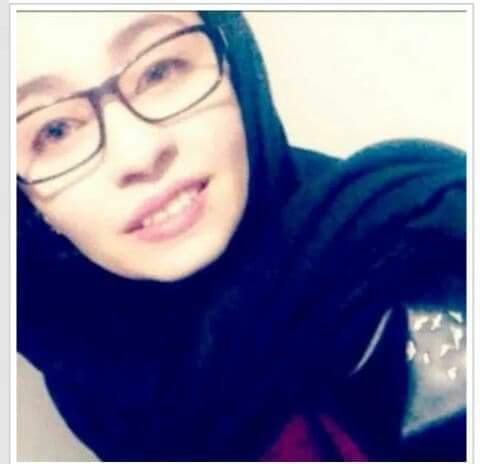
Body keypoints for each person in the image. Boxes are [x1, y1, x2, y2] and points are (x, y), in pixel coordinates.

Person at [17, 11, 466, 462]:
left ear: (235, 63)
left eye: (159, 70)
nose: (140, 152)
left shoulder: (429, 251)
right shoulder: (87, 362)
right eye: (54, 131)